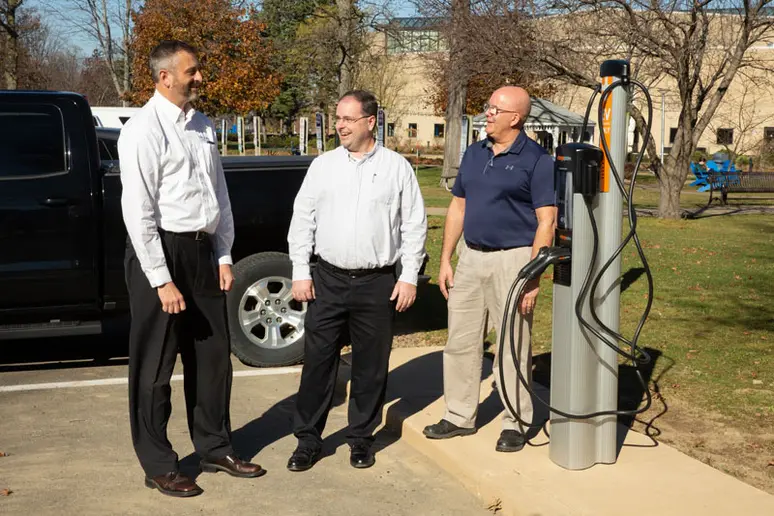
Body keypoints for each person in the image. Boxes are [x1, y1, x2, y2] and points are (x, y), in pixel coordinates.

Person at [119, 40, 264, 498]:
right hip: (159, 252)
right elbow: (137, 210)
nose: (199, 77)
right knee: (155, 366)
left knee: (213, 359)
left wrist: (223, 255)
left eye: (198, 70)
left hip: (202, 252)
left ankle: (215, 447)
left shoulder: (202, 126)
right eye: (192, 71)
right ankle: (158, 462)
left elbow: (218, 196)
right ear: (165, 77)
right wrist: (161, 279)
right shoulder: (142, 129)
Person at [286, 90, 427, 471]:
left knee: (370, 366)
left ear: (370, 122)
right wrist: (301, 271)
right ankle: (308, 440)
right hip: (327, 279)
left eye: (348, 119)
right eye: (337, 119)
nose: (340, 126)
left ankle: (361, 438)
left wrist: (409, 276)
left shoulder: (397, 168)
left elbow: (414, 226)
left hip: (377, 282)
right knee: (318, 363)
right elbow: (303, 220)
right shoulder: (323, 166)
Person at [423, 86, 556, 452]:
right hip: (471, 257)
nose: (488, 114)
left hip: (513, 261)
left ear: (516, 118)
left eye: (495, 109)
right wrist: (447, 258)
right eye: (487, 108)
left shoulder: (536, 160)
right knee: (460, 341)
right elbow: (458, 207)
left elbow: (547, 222)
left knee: (513, 345)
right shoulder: (474, 152)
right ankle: (459, 415)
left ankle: (516, 420)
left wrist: (533, 277)